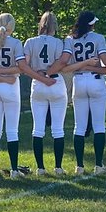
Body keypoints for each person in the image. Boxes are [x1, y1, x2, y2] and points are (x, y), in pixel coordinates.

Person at [0, 13, 50, 178]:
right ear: (12, 27)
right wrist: (6, 75)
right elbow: (21, 67)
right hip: (11, 87)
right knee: (12, 130)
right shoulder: (15, 43)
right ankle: (13, 170)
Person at [59, 10, 106, 174]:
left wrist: (84, 66)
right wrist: (90, 66)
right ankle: (98, 165)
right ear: (91, 24)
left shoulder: (69, 39)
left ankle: (79, 166)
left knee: (79, 126)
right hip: (95, 80)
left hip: (79, 81)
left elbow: (65, 67)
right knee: (99, 125)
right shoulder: (99, 38)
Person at [23, 10, 69, 175]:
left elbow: (25, 66)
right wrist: (48, 75)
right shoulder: (58, 42)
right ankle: (58, 167)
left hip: (38, 82)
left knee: (38, 129)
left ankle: (40, 168)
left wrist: (41, 77)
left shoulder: (30, 42)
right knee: (58, 129)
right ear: (54, 26)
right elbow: (60, 63)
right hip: (55, 82)